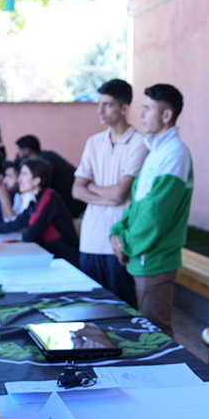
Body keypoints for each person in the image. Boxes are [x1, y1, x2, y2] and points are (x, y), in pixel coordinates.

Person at [109, 84, 192, 338]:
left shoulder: (175, 153)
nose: (141, 114)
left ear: (166, 116)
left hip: (153, 260)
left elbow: (155, 217)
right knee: (151, 329)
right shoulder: (156, 151)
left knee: (158, 333)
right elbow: (137, 205)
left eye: (147, 109)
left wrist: (125, 244)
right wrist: (117, 231)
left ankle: (171, 379)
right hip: (143, 257)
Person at [72, 79, 147, 308]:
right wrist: (107, 193)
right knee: (90, 313)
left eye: (107, 104)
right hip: (89, 240)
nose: (99, 110)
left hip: (118, 241)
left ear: (124, 109)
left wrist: (92, 187)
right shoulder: (94, 142)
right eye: (99, 103)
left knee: (123, 313)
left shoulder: (140, 143)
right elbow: (76, 190)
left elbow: (120, 194)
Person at [0, 157, 80, 266]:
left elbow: (29, 234)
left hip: (65, 261)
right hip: (47, 257)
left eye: (24, 174)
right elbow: (14, 225)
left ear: (36, 181)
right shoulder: (34, 202)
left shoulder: (48, 196)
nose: (19, 179)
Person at [16, 134, 86, 218]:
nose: (18, 154)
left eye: (24, 174)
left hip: (75, 208)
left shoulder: (42, 163)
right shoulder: (48, 155)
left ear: (26, 151)